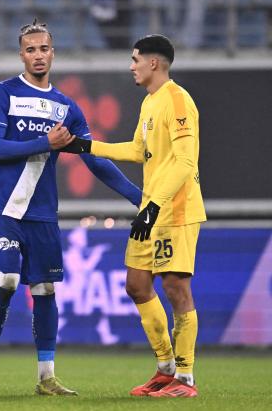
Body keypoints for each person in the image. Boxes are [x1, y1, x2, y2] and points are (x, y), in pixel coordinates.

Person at [0, 19, 142, 396]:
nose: (38, 55)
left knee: (46, 288)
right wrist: (45, 142)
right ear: (21, 54)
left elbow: (95, 159)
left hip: (43, 213)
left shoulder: (66, 107)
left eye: (44, 49)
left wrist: (138, 196)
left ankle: (46, 377)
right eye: (30, 49)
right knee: (8, 279)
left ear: (53, 52)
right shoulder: (2, 94)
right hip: (4, 208)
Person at [61, 34, 204, 397]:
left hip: (176, 210)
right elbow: (139, 150)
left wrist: (153, 205)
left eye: (135, 59)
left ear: (154, 63)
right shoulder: (151, 103)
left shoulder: (178, 100)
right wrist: (86, 146)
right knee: (137, 285)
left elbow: (186, 162)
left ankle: (185, 379)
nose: (131, 66)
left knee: (175, 286)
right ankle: (165, 368)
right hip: (152, 211)